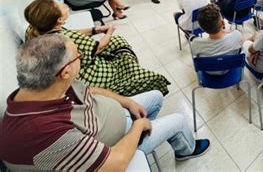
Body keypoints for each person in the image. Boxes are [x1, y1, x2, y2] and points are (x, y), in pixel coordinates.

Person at [0, 35, 210, 170]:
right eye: (78, 56)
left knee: (154, 95)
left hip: (109, 120)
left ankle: (148, 133)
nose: (81, 58)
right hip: (114, 148)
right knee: (179, 120)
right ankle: (185, 150)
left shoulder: (40, 87)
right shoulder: (43, 133)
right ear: (65, 71)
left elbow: (90, 90)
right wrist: (137, 127)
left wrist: (126, 102)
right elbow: (116, 163)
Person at [24, 0, 171, 96]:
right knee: (120, 47)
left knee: (118, 43)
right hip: (89, 77)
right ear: (60, 19)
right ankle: (134, 78)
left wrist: (96, 30)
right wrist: (109, 31)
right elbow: (99, 47)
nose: (66, 6)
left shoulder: (35, 30)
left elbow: (70, 32)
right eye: (62, 6)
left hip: (73, 71)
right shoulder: (64, 40)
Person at [190, 4, 242, 75]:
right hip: (229, 69)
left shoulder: (196, 43)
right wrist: (227, 31)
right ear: (223, 23)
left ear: (202, 28)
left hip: (208, 72)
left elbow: (195, 55)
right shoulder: (236, 35)